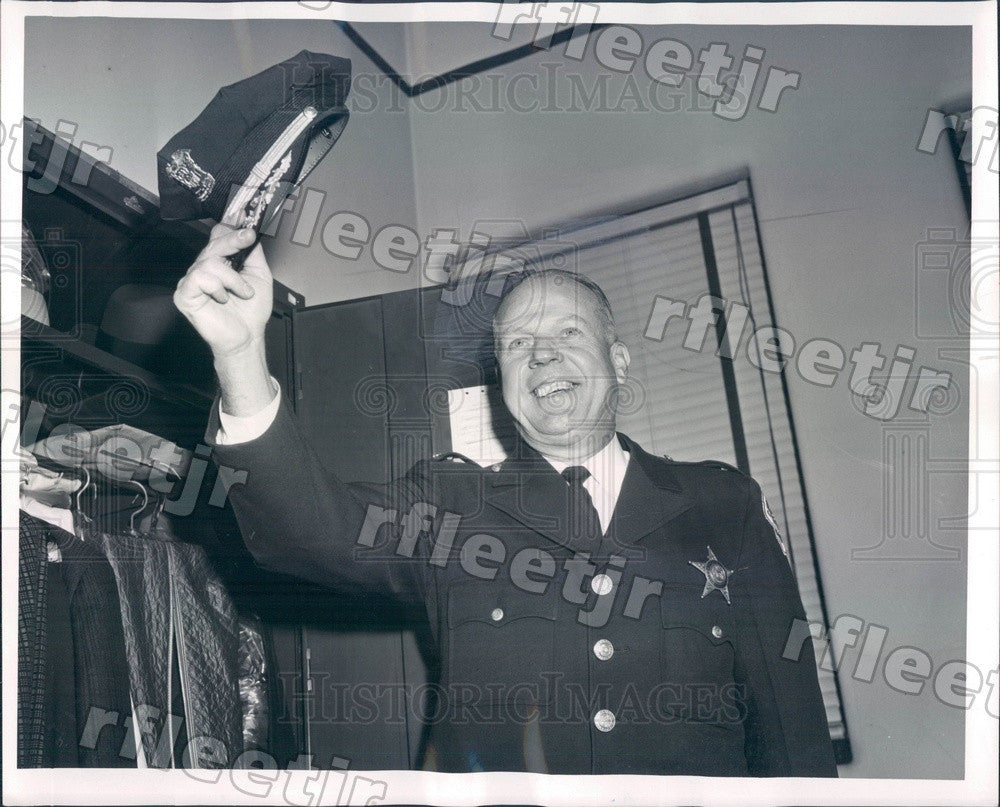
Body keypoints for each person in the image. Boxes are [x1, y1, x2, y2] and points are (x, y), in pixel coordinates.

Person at [174, 224, 839, 776]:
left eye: (568, 335)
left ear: (621, 360)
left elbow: (791, 725)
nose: (541, 356)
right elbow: (309, 531)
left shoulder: (724, 505)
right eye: (517, 345)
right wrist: (239, 354)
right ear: (502, 383)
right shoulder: (452, 507)